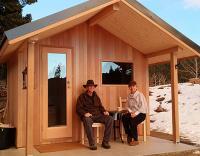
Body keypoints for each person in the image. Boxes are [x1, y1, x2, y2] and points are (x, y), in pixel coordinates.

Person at [76, 80, 113, 150]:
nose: (91, 87)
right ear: (86, 87)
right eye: (90, 86)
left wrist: (104, 111)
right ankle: (92, 143)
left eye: (93, 86)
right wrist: (84, 113)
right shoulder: (82, 97)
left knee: (110, 118)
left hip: (98, 115)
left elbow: (100, 107)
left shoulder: (96, 96)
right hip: (89, 116)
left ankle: (105, 142)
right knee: (86, 120)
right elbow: (78, 108)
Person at [122, 81, 148, 146]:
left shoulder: (140, 95)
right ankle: (129, 134)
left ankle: (136, 140)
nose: (132, 87)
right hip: (132, 112)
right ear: (129, 87)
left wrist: (135, 113)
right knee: (124, 117)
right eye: (130, 86)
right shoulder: (129, 96)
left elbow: (143, 107)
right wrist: (131, 112)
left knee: (132, 120)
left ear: (136, 87)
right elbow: (127, 106)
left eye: (133, 86)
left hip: (141, 113)